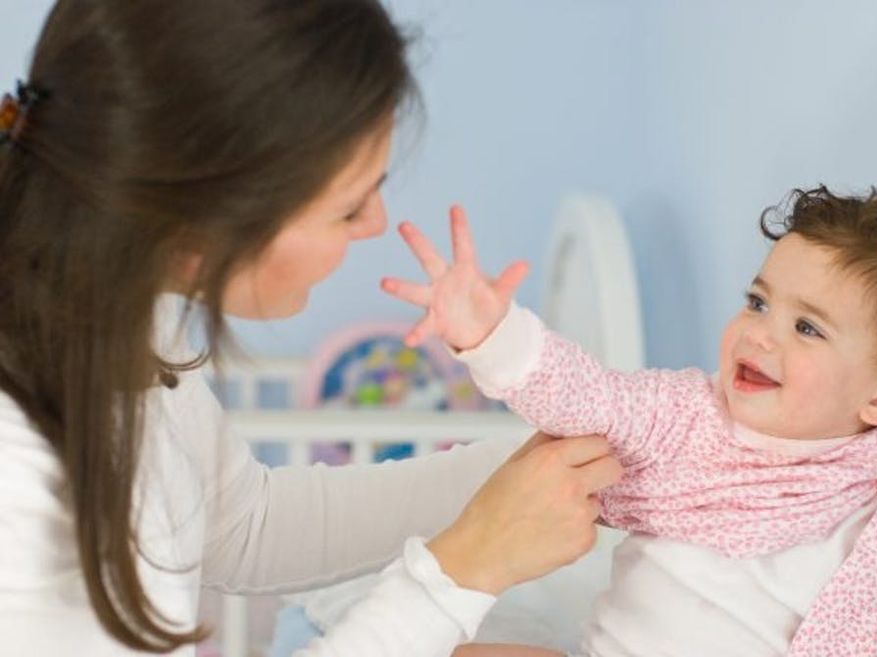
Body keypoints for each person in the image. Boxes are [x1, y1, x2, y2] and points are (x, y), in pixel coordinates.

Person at [0, 1, 624, 656]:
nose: (375, 222)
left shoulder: (121, 307)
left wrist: (512, 469)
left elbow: (244, 525)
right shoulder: (17, 475)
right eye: (349, 206)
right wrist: (463, 571)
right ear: (201, 227)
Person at [381, 188, 877, 657]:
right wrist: (493, 337)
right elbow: (586, 396)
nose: (759, 333)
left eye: (807, 328)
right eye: (758, 302)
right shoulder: (683, 416)